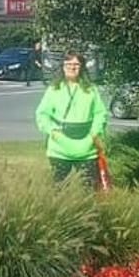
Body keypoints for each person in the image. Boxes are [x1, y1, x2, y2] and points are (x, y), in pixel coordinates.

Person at [34, 51, 110, 186]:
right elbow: (42, 114)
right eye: (68, 64)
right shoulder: (54, 89)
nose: (72, 67)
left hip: (86, 149)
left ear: (81, 68)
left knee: (88, 189)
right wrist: (53, 132)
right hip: (59, 149)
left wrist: (94, 133)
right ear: (63, 67)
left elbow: (100, 114)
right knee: (58, 190)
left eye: (76, 64)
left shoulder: (91, 90)